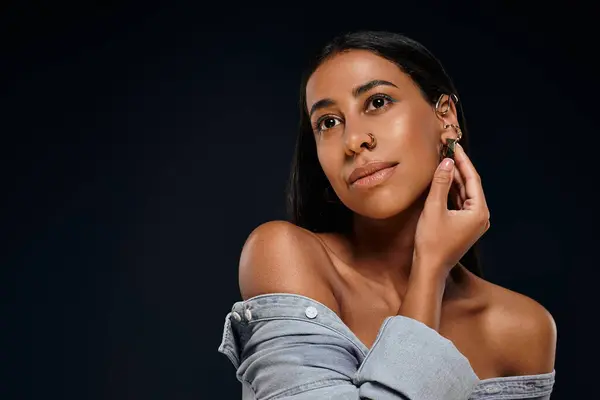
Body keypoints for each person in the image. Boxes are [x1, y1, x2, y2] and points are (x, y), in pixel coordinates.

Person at [218, 31, 557, 399]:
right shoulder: (283, 256)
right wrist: (429, 270)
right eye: (329, 122)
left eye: (377, 102)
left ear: (446, 117)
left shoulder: (522, 329)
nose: (354, 140)